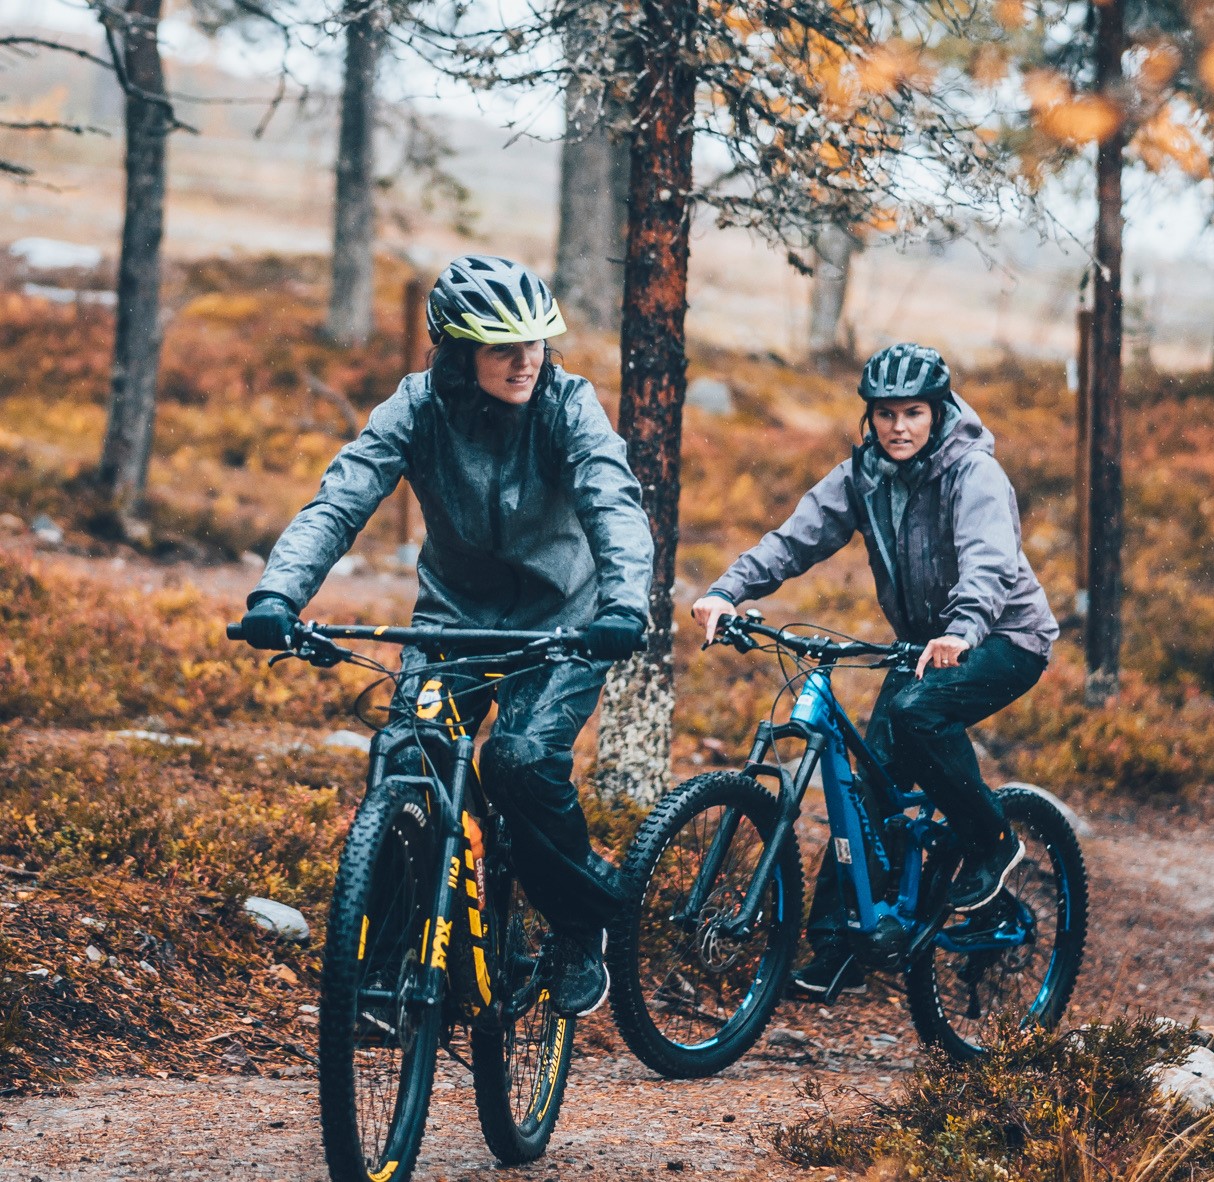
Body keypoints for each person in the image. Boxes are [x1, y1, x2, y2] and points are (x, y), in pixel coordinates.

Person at [239, 254, 654, 1017]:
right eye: (503, 346)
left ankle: (577, 924)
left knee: (521, 763)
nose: (526, 359)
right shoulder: (417, 406)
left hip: (562, 622)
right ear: (458, 349)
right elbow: (340, 499)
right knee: (406, 755)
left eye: (535, 342)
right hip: (453, 620)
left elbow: (613, 500)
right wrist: (277, 594)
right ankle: (388, 976)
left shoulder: (567, 403)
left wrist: (625, 606)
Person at [691, 342, 1058, 998]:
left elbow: (989, 562)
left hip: (1003, 635)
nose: (898, 427)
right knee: (868, 784)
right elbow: (794, 538)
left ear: (938, 411)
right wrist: (728, 589)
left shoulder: (972, 473)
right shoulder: (863, 475)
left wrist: (960, 629)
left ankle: (990, 841)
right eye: (885, 414)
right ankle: (841, 945)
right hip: (923, 643)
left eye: (913, 412)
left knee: (918, 713)